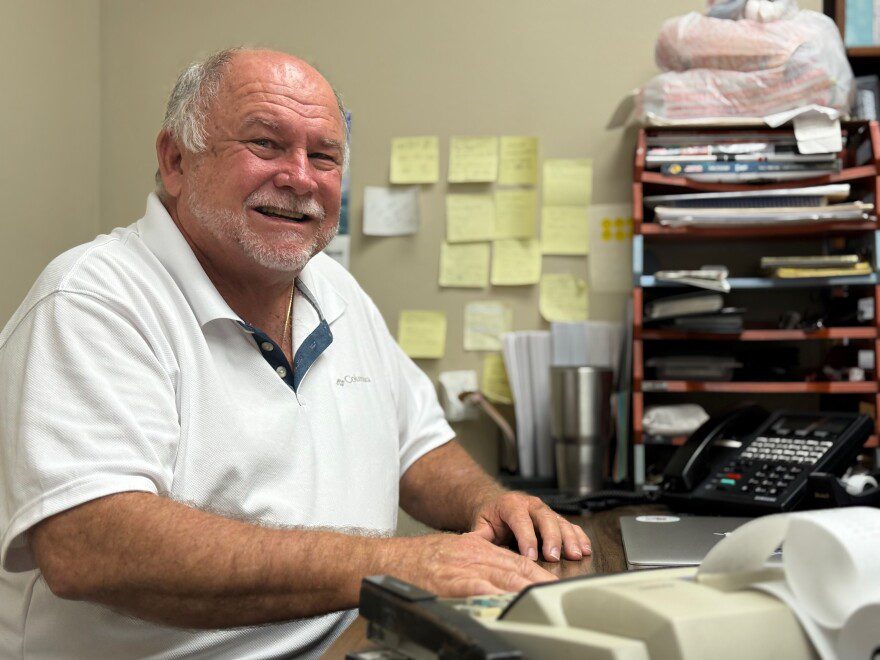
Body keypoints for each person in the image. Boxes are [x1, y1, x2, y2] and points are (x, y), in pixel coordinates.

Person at [0, 47, 591, 658]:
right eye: (265, 144)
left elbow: (417, 447)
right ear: (175, 160)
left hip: (349, 642)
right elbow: (89, 547)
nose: (300, 177)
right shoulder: (92, 300)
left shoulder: (337, 290)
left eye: (325, 156)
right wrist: (396, 565)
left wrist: (489, 503)